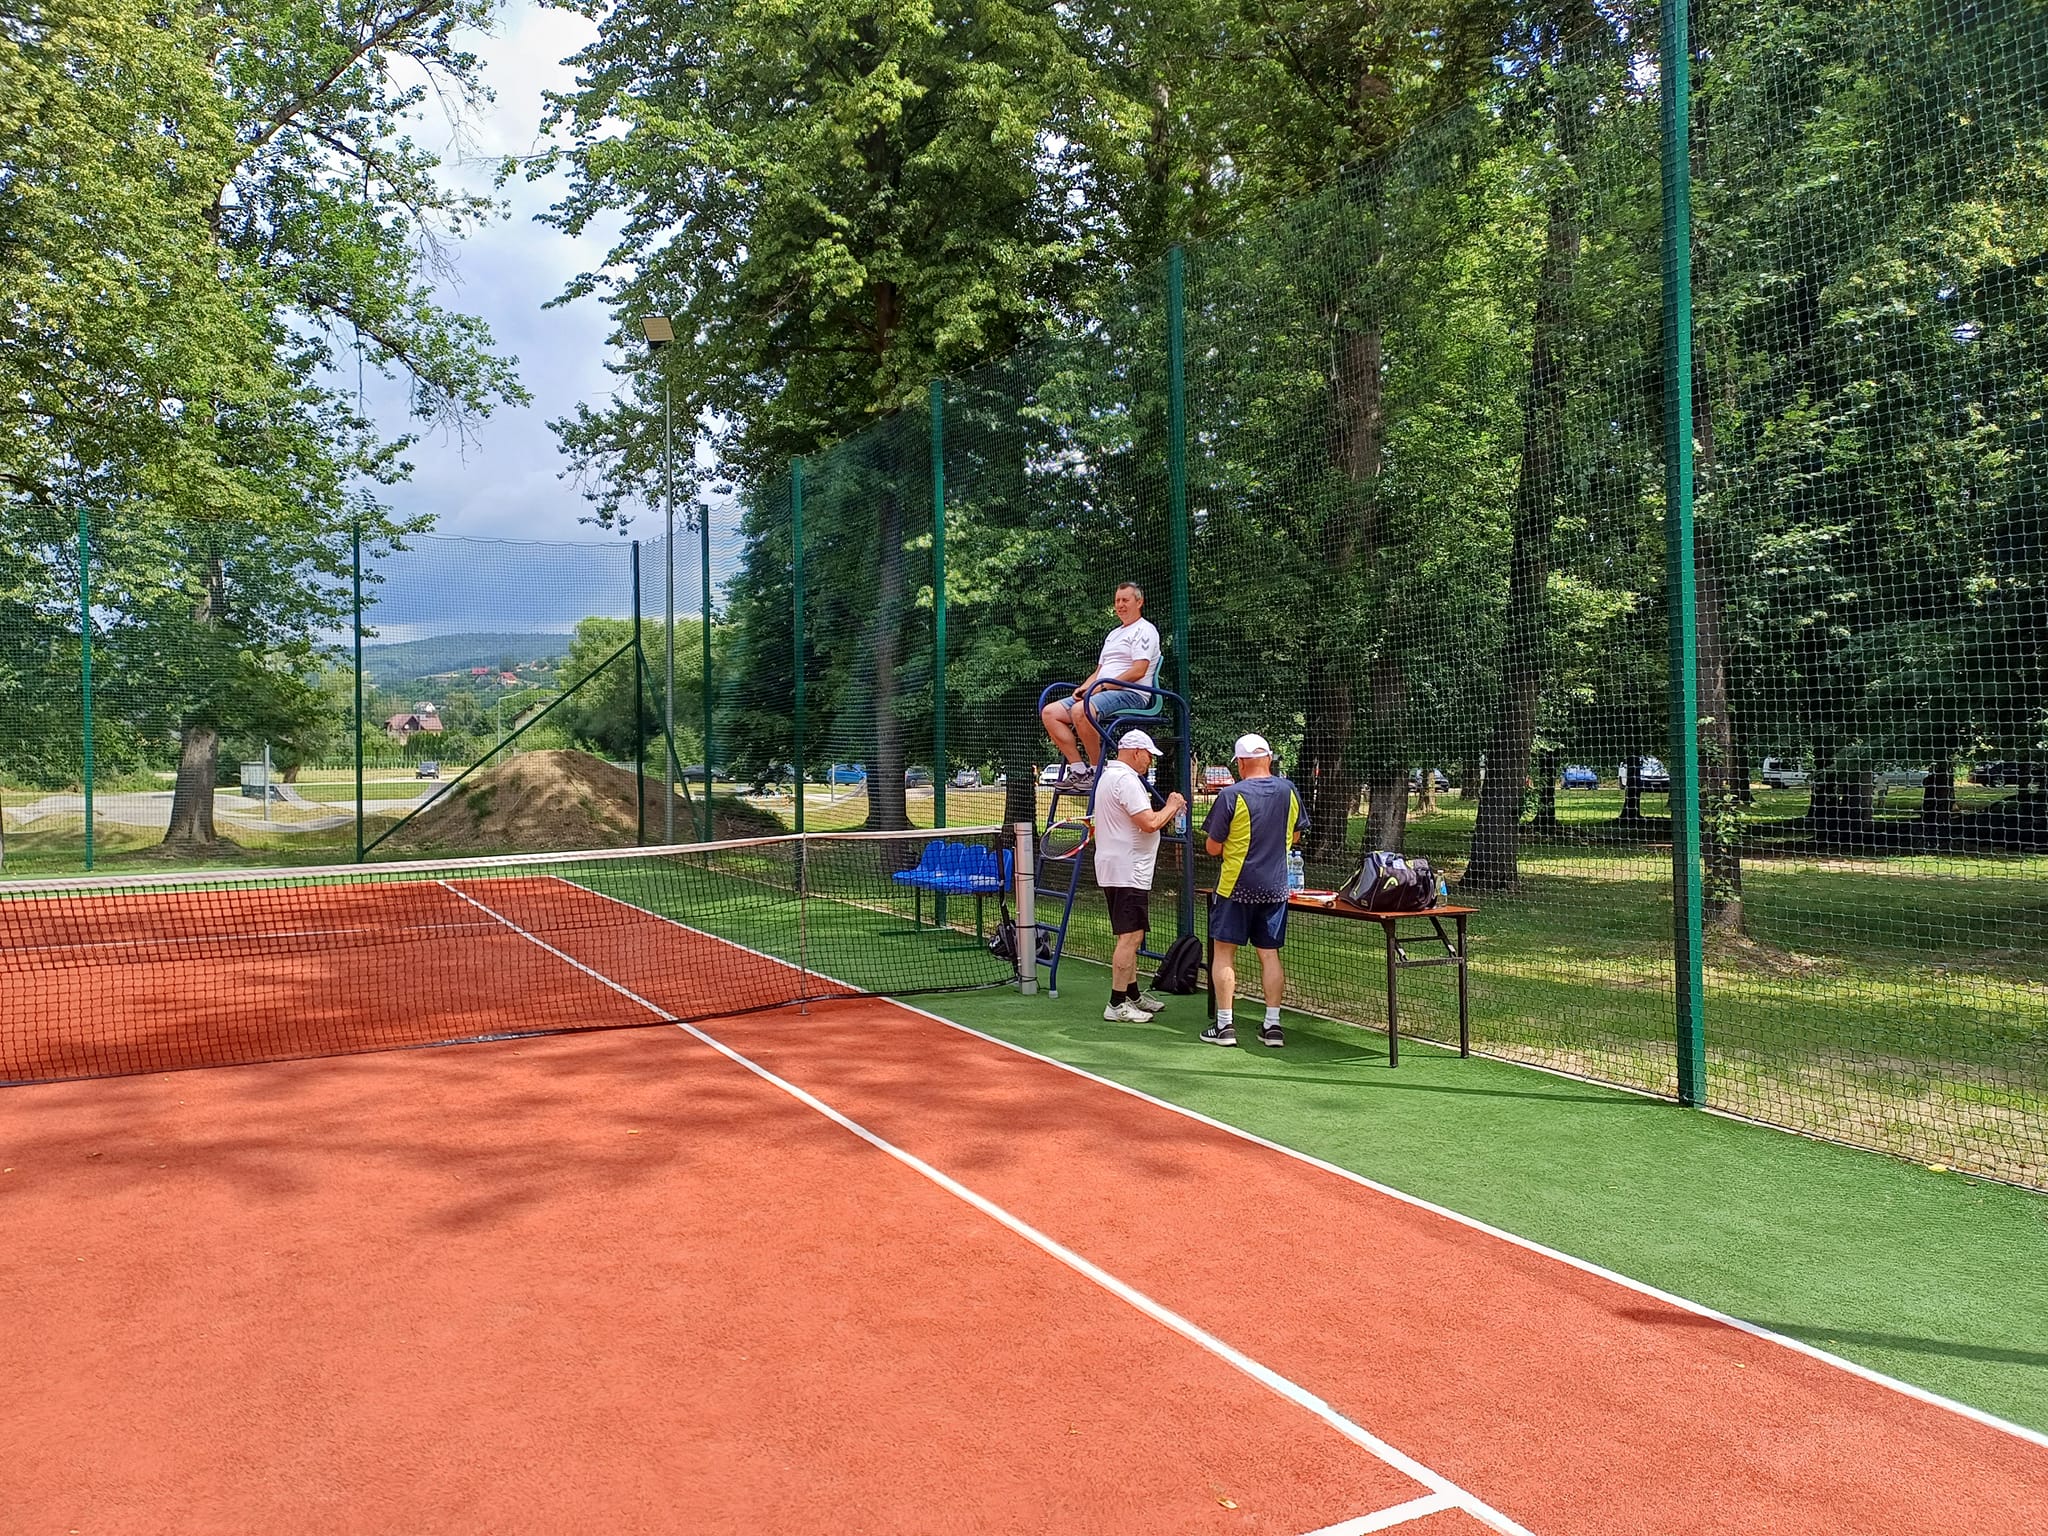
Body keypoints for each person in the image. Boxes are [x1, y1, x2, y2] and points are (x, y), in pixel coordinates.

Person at [1200, 733, 1307, 1048]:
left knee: (1223, 952)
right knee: (1269, 954)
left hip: (1235, 886)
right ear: (1269, 758)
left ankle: (1225, 1026)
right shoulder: (1289, 790)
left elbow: (1212, 847)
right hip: (1276, 887)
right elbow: (1296, 836)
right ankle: (1273, 1026)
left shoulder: (1231, 794)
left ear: (1241, 763)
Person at [1091, 730, 1187, 1023]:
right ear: (1135, 752)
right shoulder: (1126, 780)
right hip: (1127, 870)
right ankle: (1116, 1004)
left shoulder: (1110, 776)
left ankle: (1132, 995)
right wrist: (1172, 806)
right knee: (1131, 936)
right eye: (1148, 755)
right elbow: (1149, 823)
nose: (1150, 761)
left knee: (1131, 934)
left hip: (1120, 868)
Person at [1040, 582, 1161, 787]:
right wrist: (1084, 688)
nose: (1120, 605)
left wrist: (1102, 687)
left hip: (1132, 693)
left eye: (1125, 600)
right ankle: (1078, 770)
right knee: (1050, 713)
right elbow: (1099, 672)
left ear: (1139, 602)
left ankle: (1096, 772)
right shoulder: (1113, 634)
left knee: (1081, 710)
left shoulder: (1145, 630)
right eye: (1117, 601)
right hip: (1100, 690)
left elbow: (1138, 671)